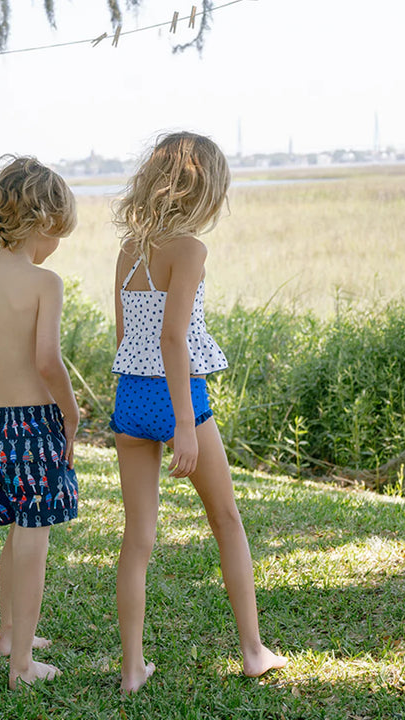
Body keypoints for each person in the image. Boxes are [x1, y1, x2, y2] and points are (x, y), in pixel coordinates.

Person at [110, 132, 287, 693]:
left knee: (137, 538)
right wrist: (185, 424)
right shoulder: (189, 249)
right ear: (204, 187)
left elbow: (124, 335)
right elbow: (172, 337)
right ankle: (254, 652)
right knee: (227, 522)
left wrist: (133, 406)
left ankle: (132, 668)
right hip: (176, 397)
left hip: (130, 399)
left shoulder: (130, 247)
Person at [0, 155, 80, 690]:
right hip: (32, 428)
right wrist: (70, 414)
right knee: (33, 542)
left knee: (14, 533)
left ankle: (10, 635)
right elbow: (49, 362)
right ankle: (22, 665)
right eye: (59, 233)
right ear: (44, 221)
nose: (58, 244)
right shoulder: (44, 283)